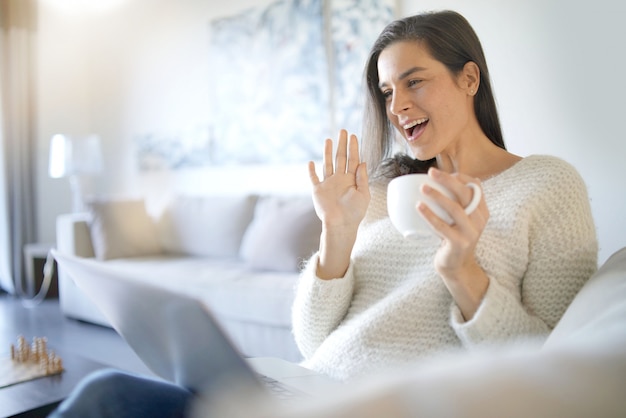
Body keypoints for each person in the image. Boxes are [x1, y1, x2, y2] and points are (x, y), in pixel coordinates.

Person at [48, 10, 598, 418]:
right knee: (104, 394)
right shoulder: (385, 189)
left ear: (469, 79)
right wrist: (338, 233)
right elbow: (313, 342)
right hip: (301, 387)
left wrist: (463, 272)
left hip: (386, 404)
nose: (397, 106)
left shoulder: (546, 185)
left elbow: (548, 362)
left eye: (415, 81)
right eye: (386, 91)